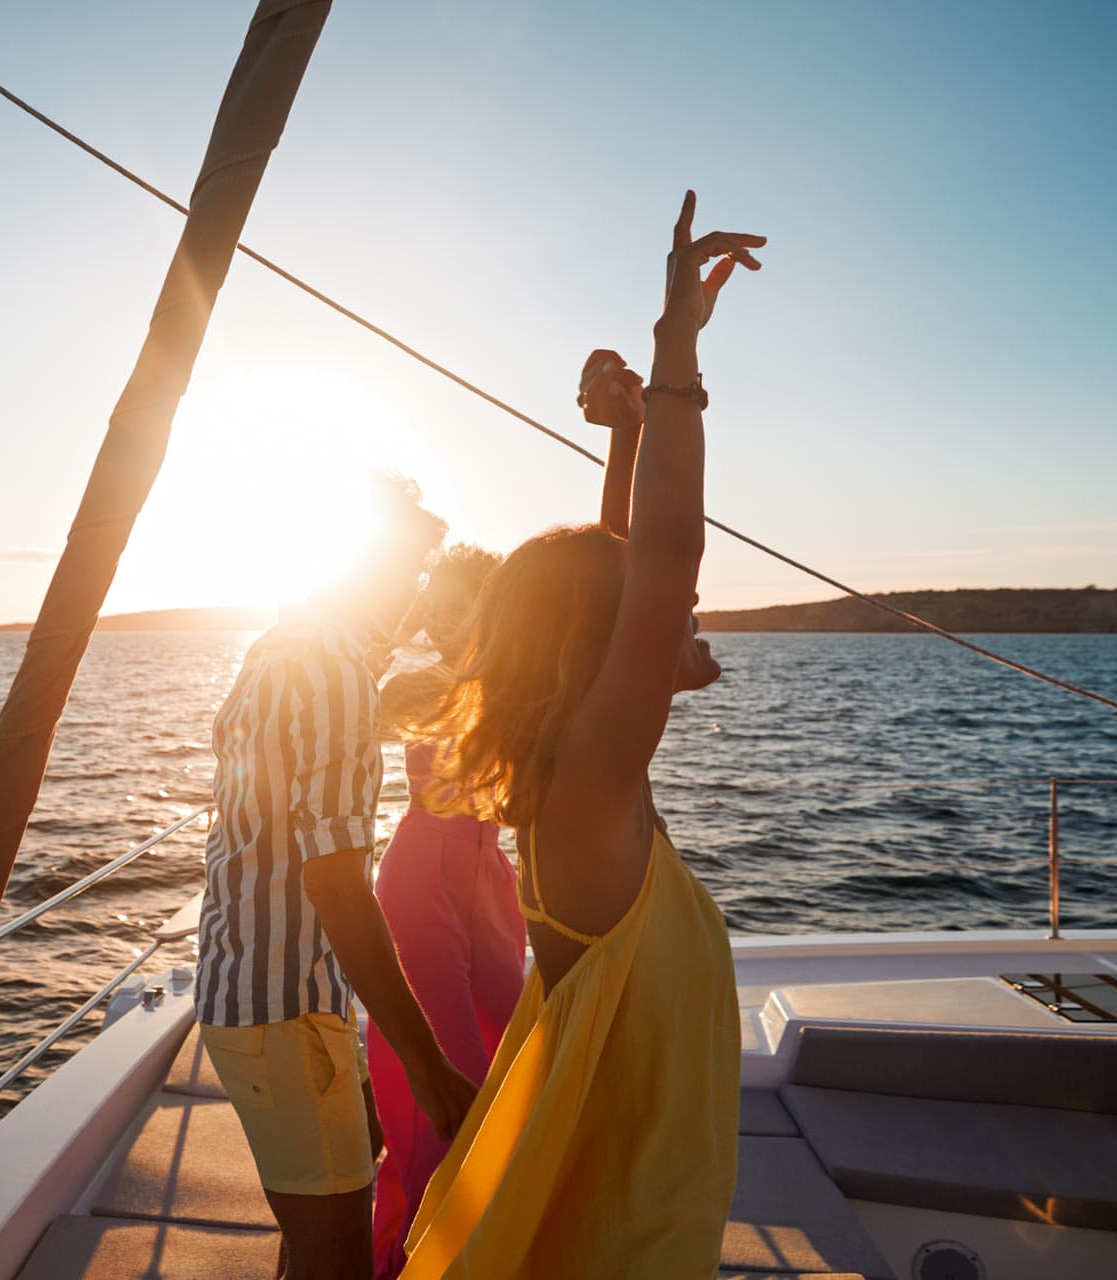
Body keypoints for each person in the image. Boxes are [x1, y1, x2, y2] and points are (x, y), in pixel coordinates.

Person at [400, 192, 765, 1277]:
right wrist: (673, 354)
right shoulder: (593, 789)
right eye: (662, 620)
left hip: (617, 1189)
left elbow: (622, 564)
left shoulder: (579, 772)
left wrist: (629, 433)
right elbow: (657, 556)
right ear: (611, 653)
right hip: (625, 1224)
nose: (684, 623)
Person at [195, 475, 482, 1280]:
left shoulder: (281, 649)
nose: (419, 591)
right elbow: (337, 885)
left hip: (247, 993)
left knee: (316, 1229)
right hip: (286, 1012)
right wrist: (427, 1068)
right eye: (412, 568)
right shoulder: (333, 676)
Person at [365, 545, 525, 1280]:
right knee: (447, 1078)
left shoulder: (523, 685)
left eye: (451, 606)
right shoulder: (418, 686)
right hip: (421, 879)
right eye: (430, 605)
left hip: (489, 880)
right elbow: (356, 707)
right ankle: (413, 1257)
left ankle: (486, 1236)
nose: (433, 619)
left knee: (510, 1060)